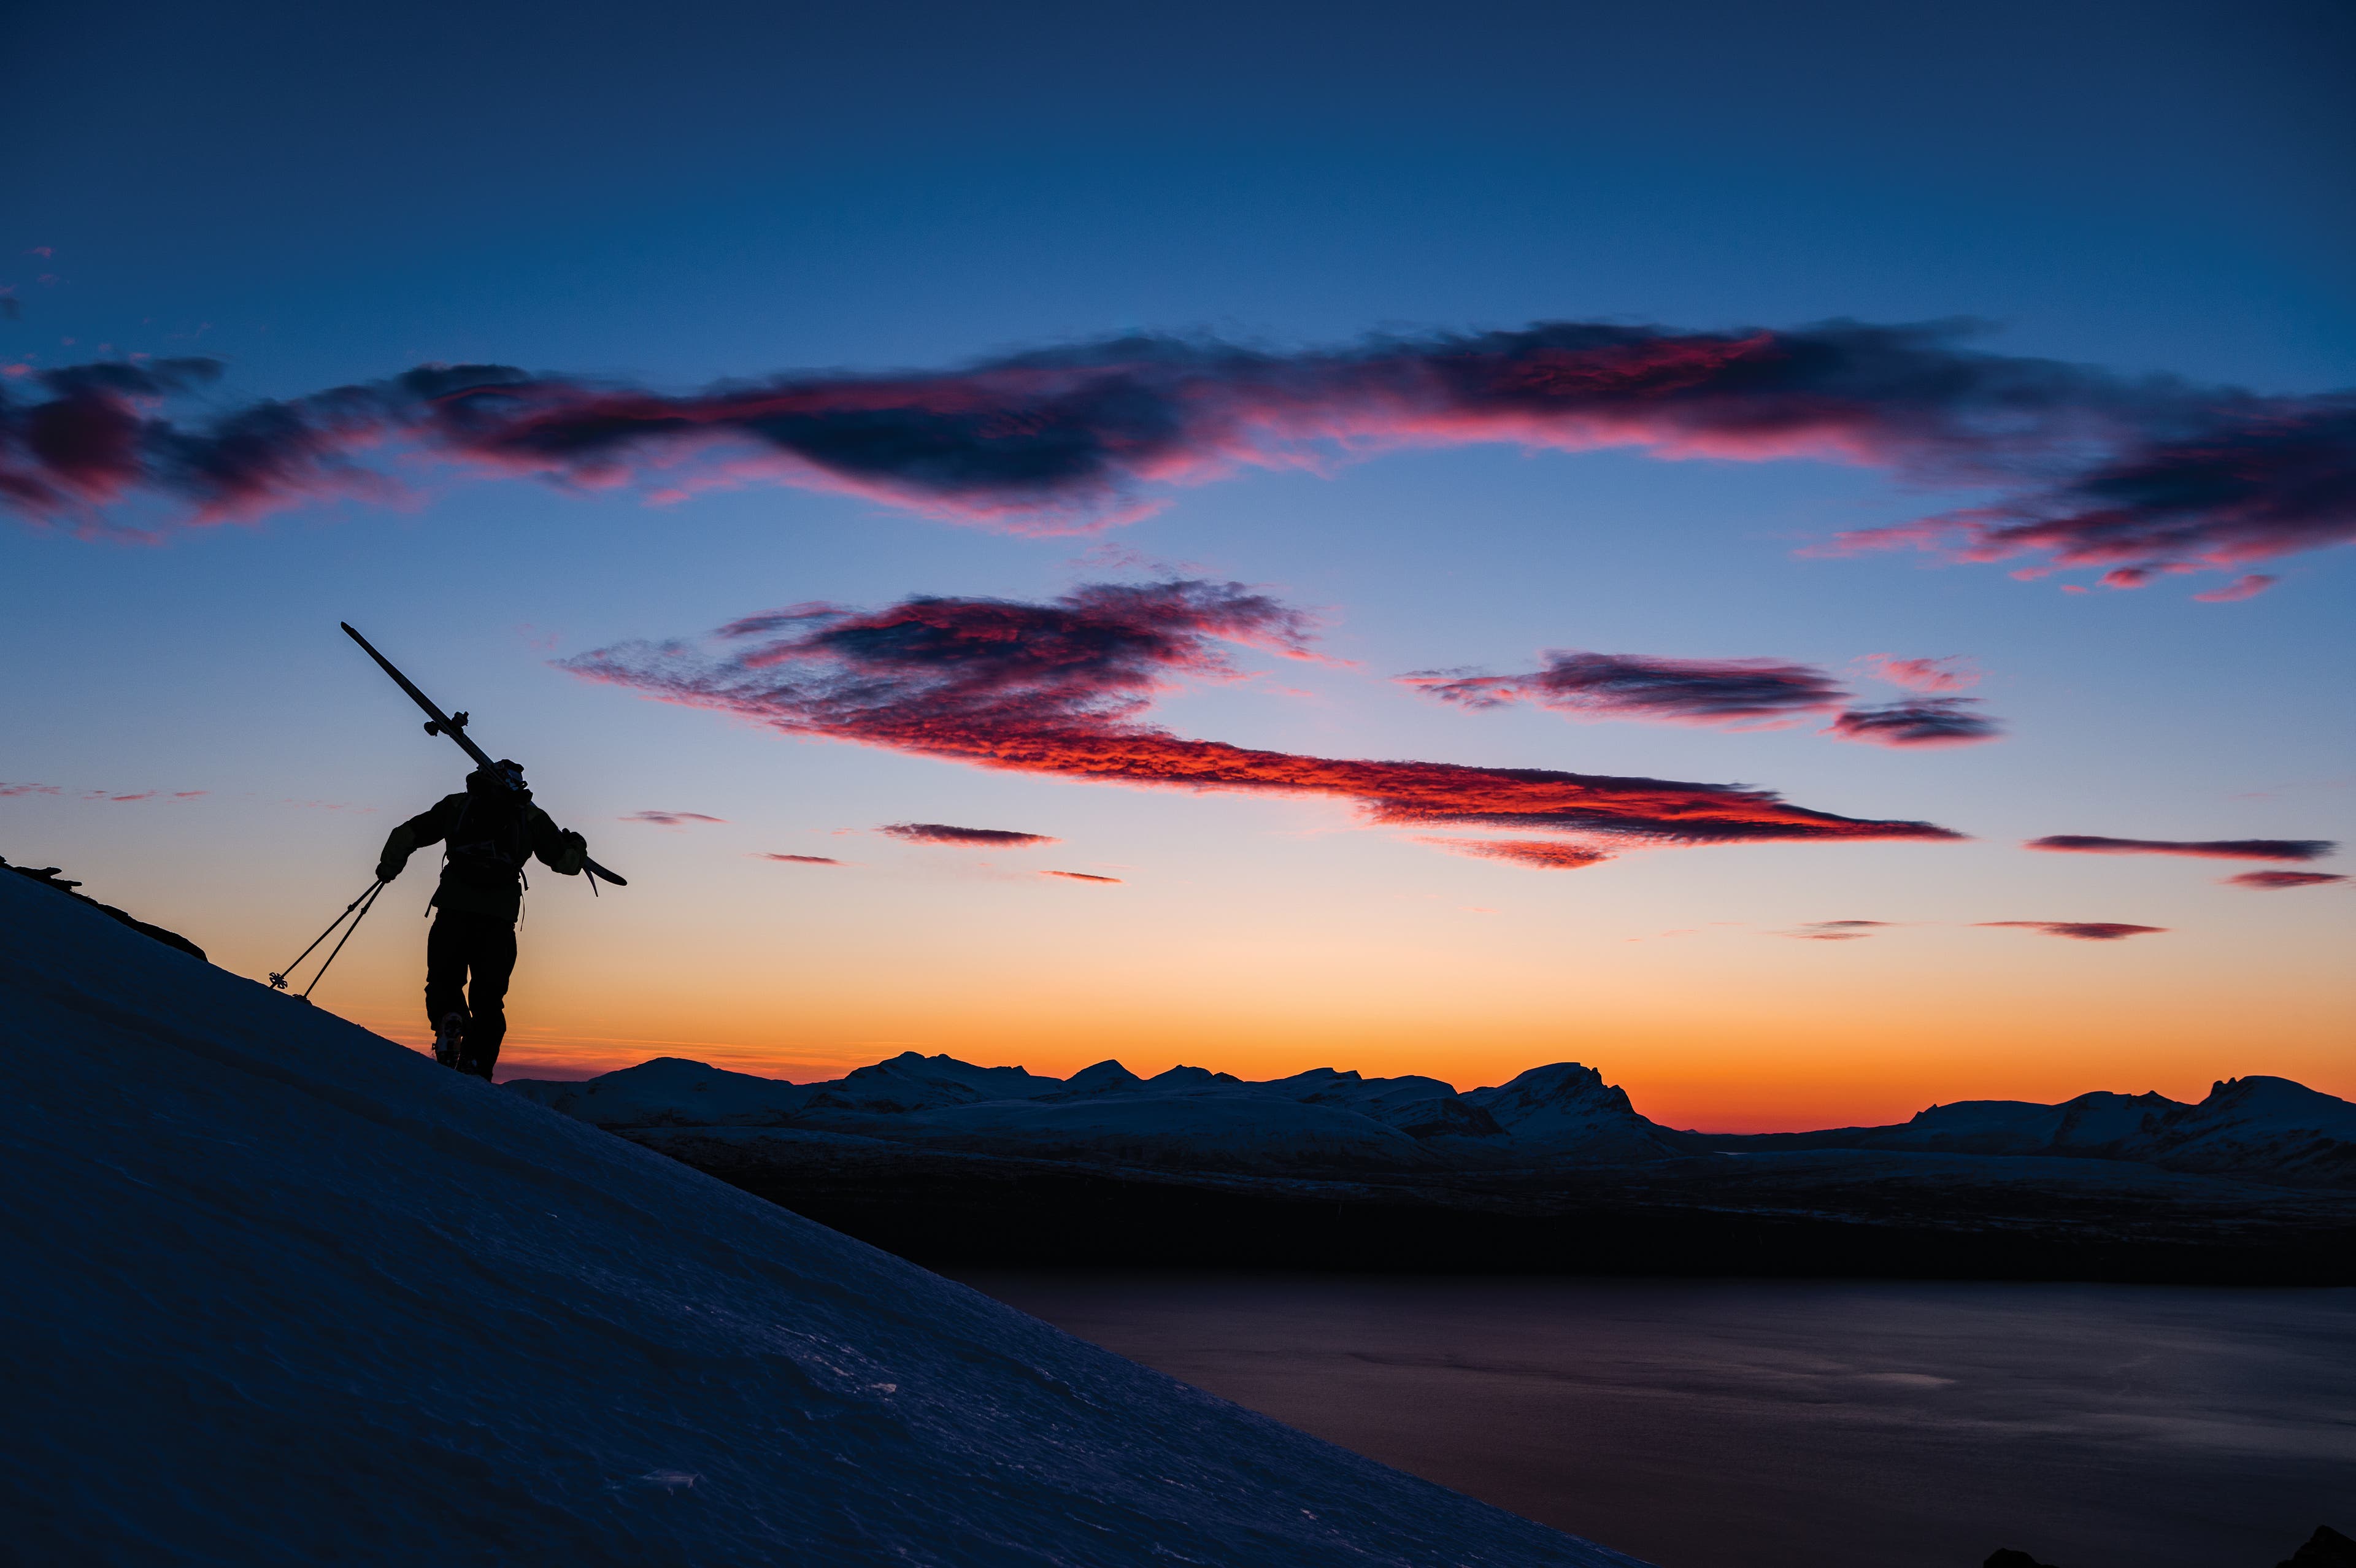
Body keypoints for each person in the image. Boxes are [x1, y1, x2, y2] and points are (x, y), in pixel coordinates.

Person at [375, 760, 588, 1079]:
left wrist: (388, 869)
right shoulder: (530, 817)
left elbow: (407, 834)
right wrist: (577, 845)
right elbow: (567, 864)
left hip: (453, 910)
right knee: (489, 998)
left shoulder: (458, 805)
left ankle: (451, 1017)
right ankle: (476, 1064)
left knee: (443, 981)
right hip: (498, 920)